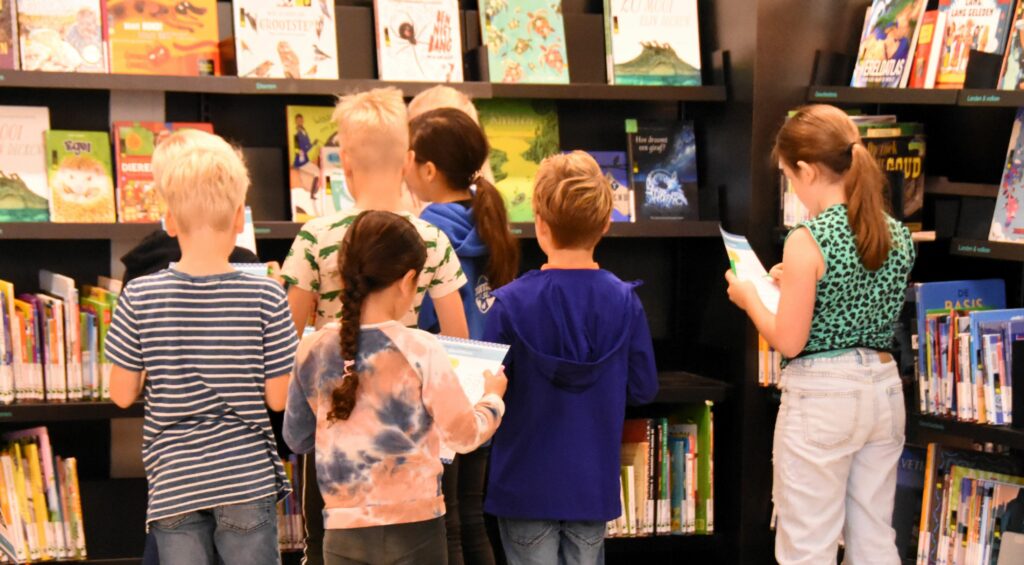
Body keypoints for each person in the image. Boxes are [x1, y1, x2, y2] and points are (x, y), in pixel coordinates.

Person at [280, 87, 470, 565]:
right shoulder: (431, 238)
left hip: (336, 437)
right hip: (411, 444)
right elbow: (460, 345)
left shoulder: (314, 236)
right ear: (408, 160)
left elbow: (287, 340)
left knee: (324, 546)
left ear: (343, 163)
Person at [724, 104, 916, 565]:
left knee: (808, 546)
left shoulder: (807, 237)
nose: (792, 186)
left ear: (807, 171)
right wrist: (792, 282)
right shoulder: (895, 233)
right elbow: (852, 298)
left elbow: (790, 340)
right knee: (874, 540)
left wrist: (750, 299)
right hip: (884, 391)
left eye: (790, 176)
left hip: (825, 396)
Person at [104, 129, 299, 565]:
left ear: (169, 220)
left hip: (175, 479)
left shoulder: (140, 295)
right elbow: (278, 398)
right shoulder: (267, 295)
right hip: (245, 475)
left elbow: (121, 394)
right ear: (239, 218)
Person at [283, 210, 507, 565]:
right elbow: (464, 436)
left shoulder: (312, 349)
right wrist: (492, 398)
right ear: (408, 280)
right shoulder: (423, 349)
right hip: (418, 528)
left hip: (343, 532)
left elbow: (297, 439)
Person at [482, 151, 659, 564]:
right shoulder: (625, 302)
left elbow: (484, 392)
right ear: (606, 223)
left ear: (540, 225)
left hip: (523, 486)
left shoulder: (508, 305)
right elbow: (644, 388)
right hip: (590, 486)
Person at [406, 108, 520, 565]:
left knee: (445, 521)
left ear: (428, 170)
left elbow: (422, 313)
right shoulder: (487, 219)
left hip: (441, 386)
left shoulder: (426, 231)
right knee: (472, 518)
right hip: (484, 381)